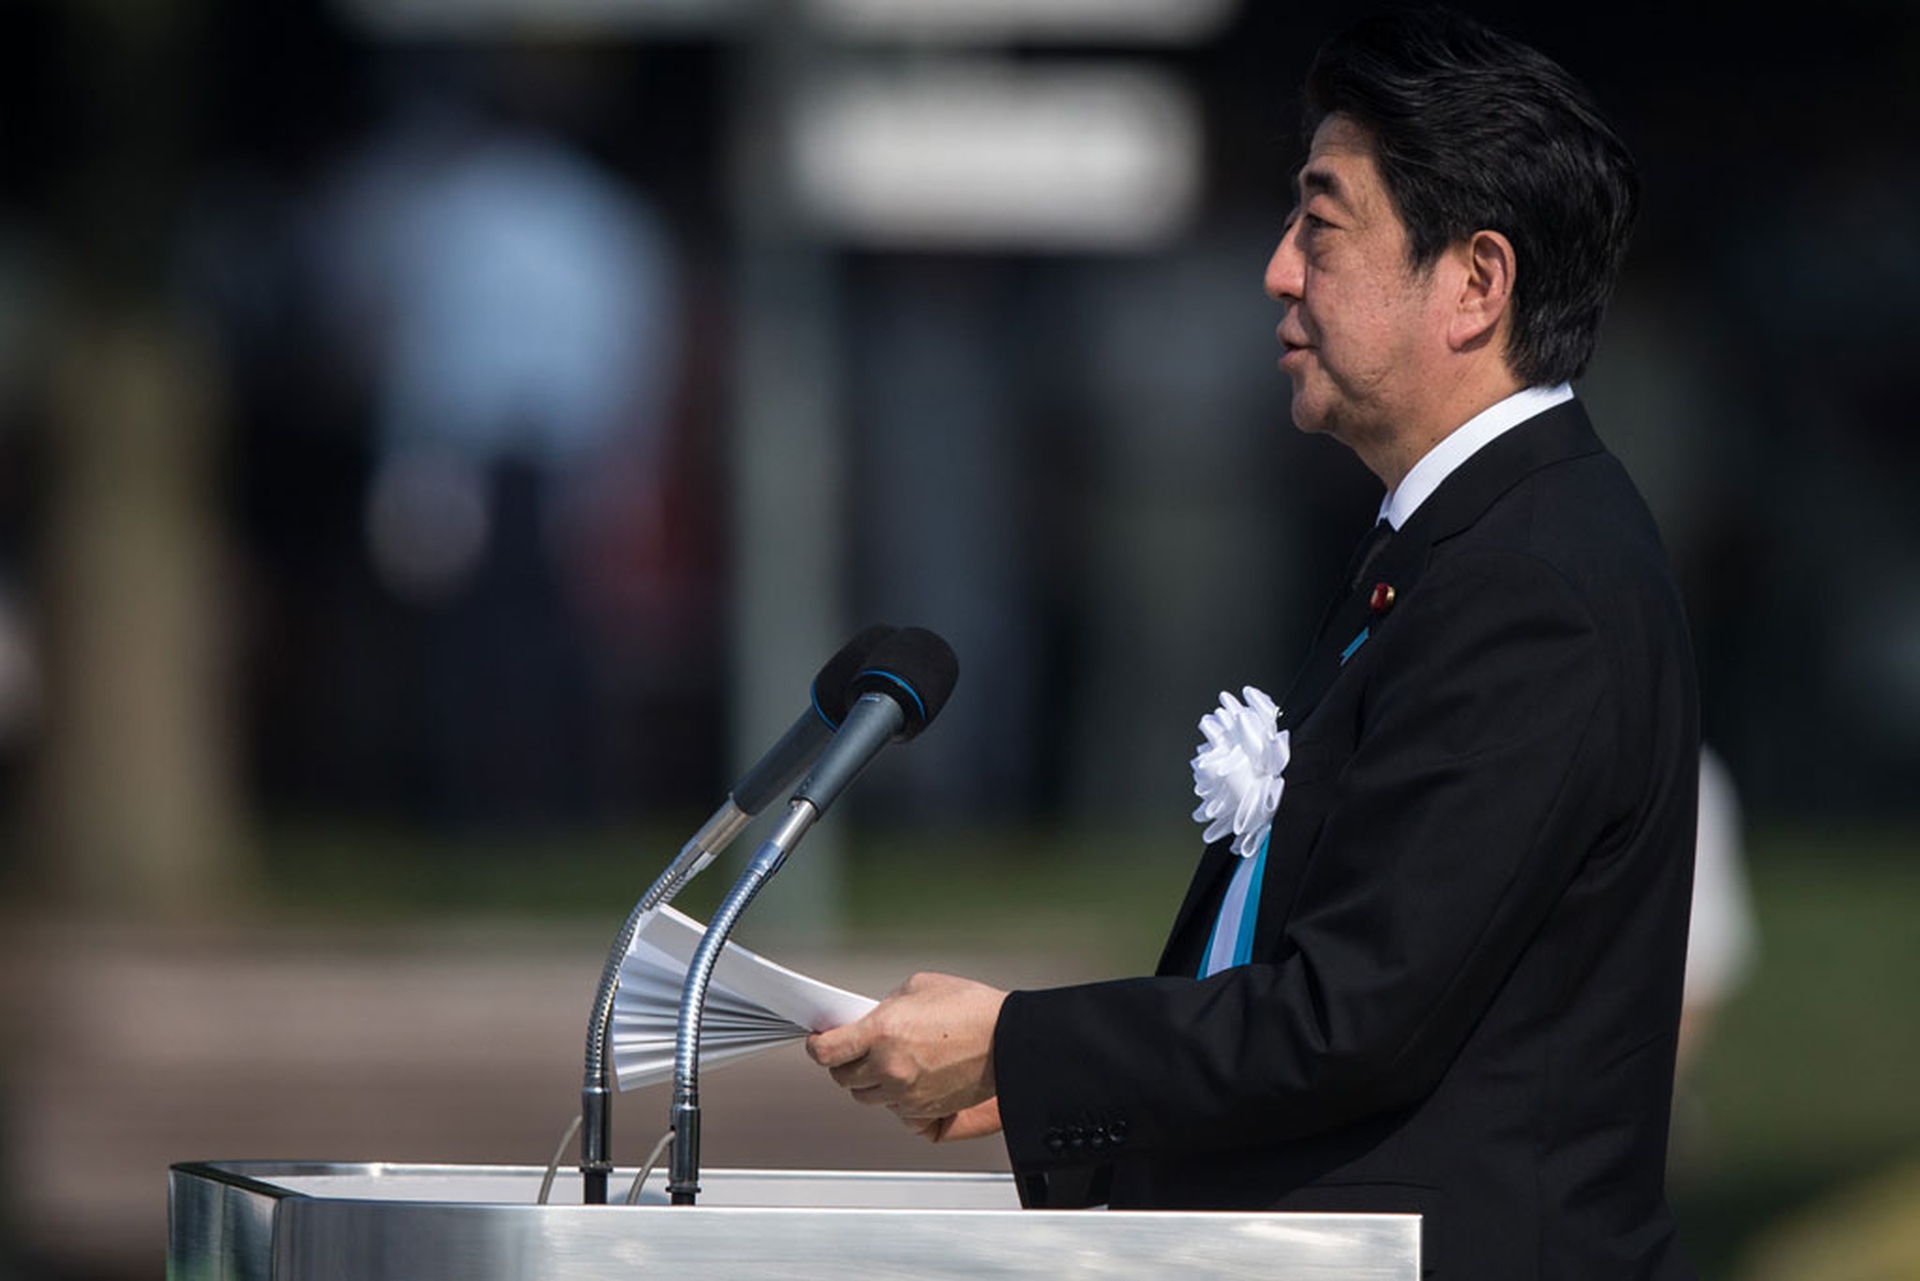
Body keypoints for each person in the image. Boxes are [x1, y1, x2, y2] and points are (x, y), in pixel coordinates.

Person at [808, 9, 1698, 1278]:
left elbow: (1354, 1014)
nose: (1279, 269)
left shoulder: (1527, 580)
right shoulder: (1459, 542)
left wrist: (1020, 1046)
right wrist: (1056, 1085)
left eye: (1322, 226)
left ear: (1476, 283)